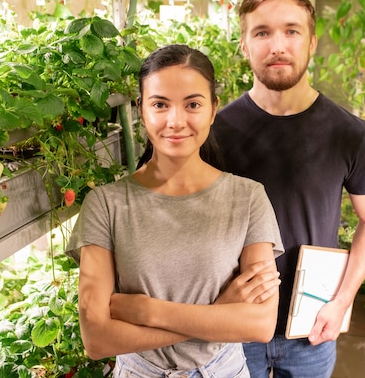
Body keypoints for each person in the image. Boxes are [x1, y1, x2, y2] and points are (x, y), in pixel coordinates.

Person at [66, 44, 285, 378]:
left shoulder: (248, 198)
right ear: (142, 110)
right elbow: (96, 339)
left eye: (192, 104)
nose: (175, 121)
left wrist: (147, 310)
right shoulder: (106, 205)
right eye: (160, 104)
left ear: (213, 110)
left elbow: (260, 324)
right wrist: (220, 312)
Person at [210, 0, 365, 378]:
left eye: (292, 31)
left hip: (311, 325)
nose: (278, 45)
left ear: (312, 42)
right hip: (233, 325)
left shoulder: (348, 134)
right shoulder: (213, 133)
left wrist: (343, 300)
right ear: (244, 45)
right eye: (262, 32)